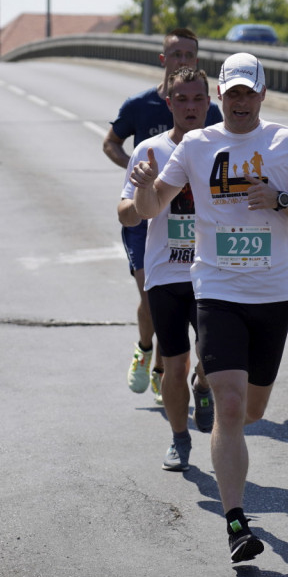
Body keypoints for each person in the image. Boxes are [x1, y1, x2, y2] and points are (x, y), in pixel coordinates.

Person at [130, 52, 288, 563]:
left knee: (254, 411)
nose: (240, 102)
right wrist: (146, 188)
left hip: (272, 294)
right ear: (221, 97)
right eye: (232, 93)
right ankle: (236, 522)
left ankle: (213, 404)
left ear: (263, 95)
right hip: (216, 290)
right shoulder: (197, 145)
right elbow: (153, 208)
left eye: (249, 93)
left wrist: (281, 201)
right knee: (232, 406)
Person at [103, 28, 222, 408]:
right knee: (147, 293)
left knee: (212, 342)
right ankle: (148, 353)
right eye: (176, 55)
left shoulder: (211, 118)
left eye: (190, 55)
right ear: (163, 60)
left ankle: (178, 374)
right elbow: (111, 144)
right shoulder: (140, 107)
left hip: (200, 242)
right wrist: (143, 183)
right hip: (150, 223)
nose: (183, 61)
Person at [118, 66, 218, 472]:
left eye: (198, 99)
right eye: (182, 99)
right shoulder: (149, 151)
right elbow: (126, 215)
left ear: (209, 102)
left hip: (212, 272)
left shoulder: (220, 147)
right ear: (169, 102)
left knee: (210, 357)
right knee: (174, 365)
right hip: (166, 274)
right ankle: (180, 439)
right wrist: (144, 188)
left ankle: (205, 384)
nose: (191, 107)